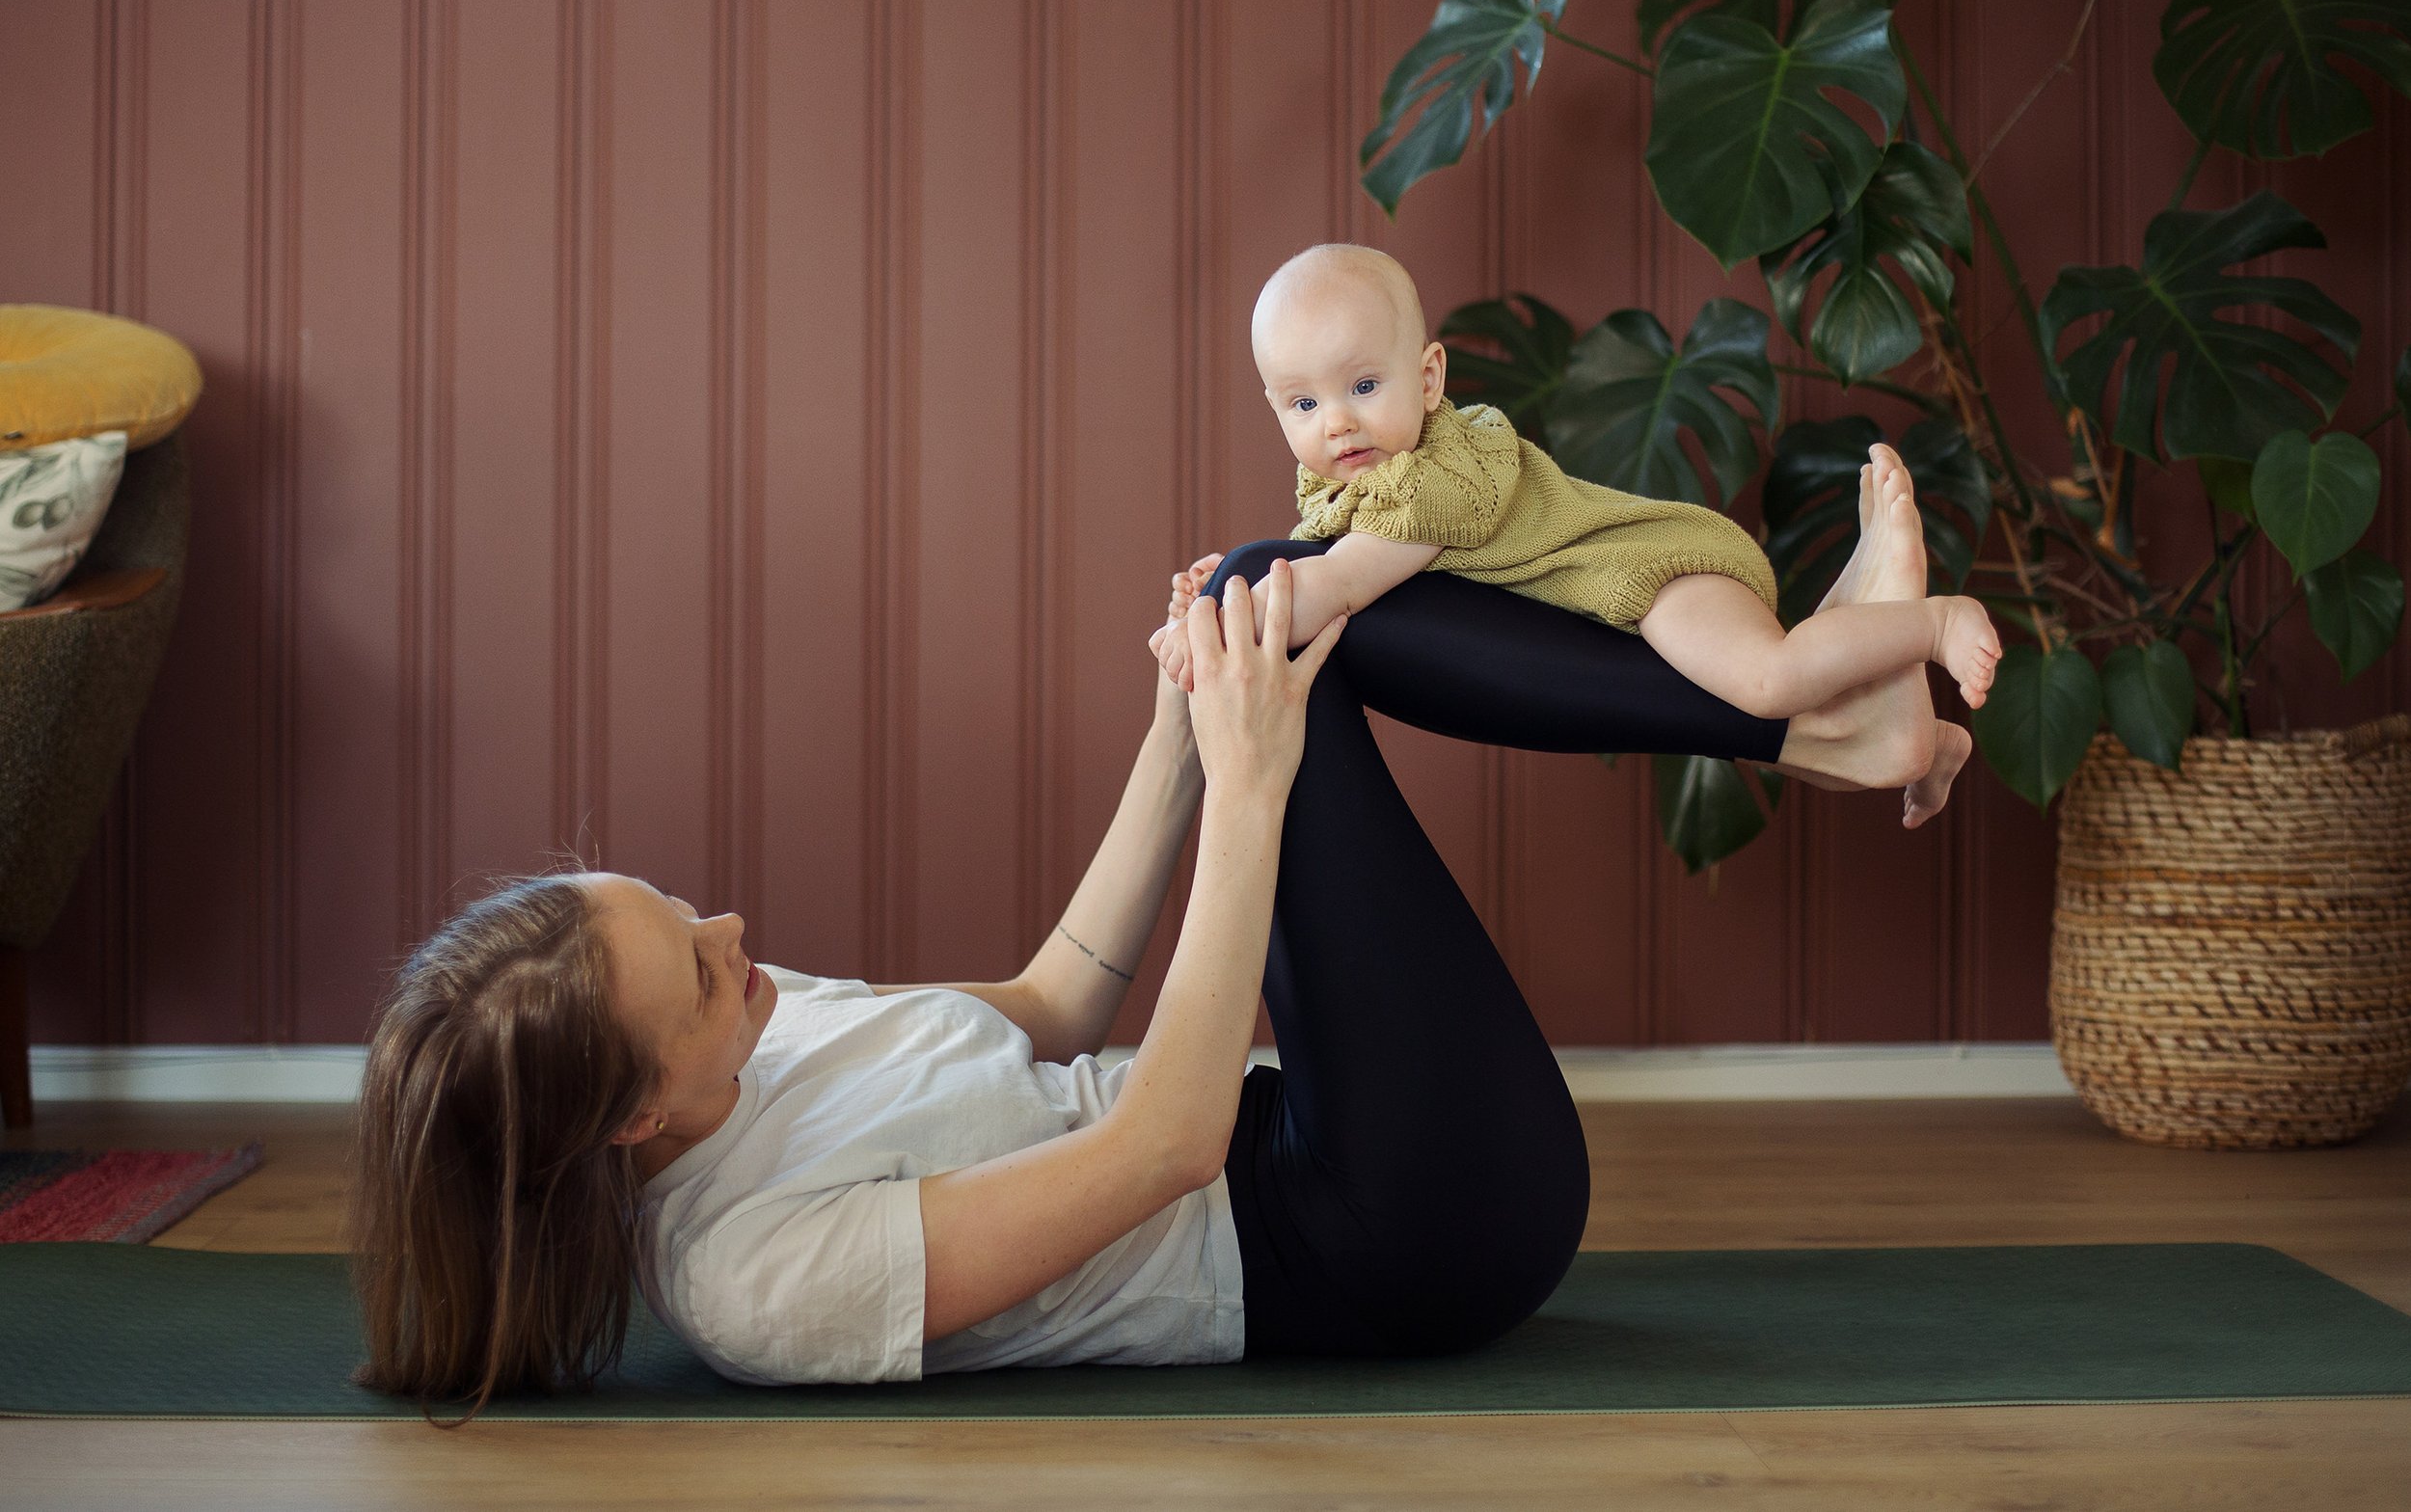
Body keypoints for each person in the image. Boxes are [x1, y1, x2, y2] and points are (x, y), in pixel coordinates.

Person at [350, 478, 1945, 1419]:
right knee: (1287, 603)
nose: (732, 933)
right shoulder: (749, 1282)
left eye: (681, 906)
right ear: (635, 1113)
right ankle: (1807, 709)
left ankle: (1819, 715)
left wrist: (1182, 728)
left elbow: (1052, 999)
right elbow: (1167, 1144)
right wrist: (1250, 783)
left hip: (1306, 1132)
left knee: (1270, 596)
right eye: (698, 968)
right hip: (1395, 1237)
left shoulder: (750, 1036)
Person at [1150, 242, 1990, 824]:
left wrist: (1217, 617)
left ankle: (1933, 624)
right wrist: (1233, 574)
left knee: (1768, 685)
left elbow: (1335, 583)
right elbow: (1319, 554)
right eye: (1304, 403)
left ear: (1429, 376)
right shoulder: (1360, 480)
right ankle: (1923, 741)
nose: (1336, 421)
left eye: (1364, 385)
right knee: (1760, 721)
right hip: (1617, 599)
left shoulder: (1443, 475)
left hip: (1658, 571)